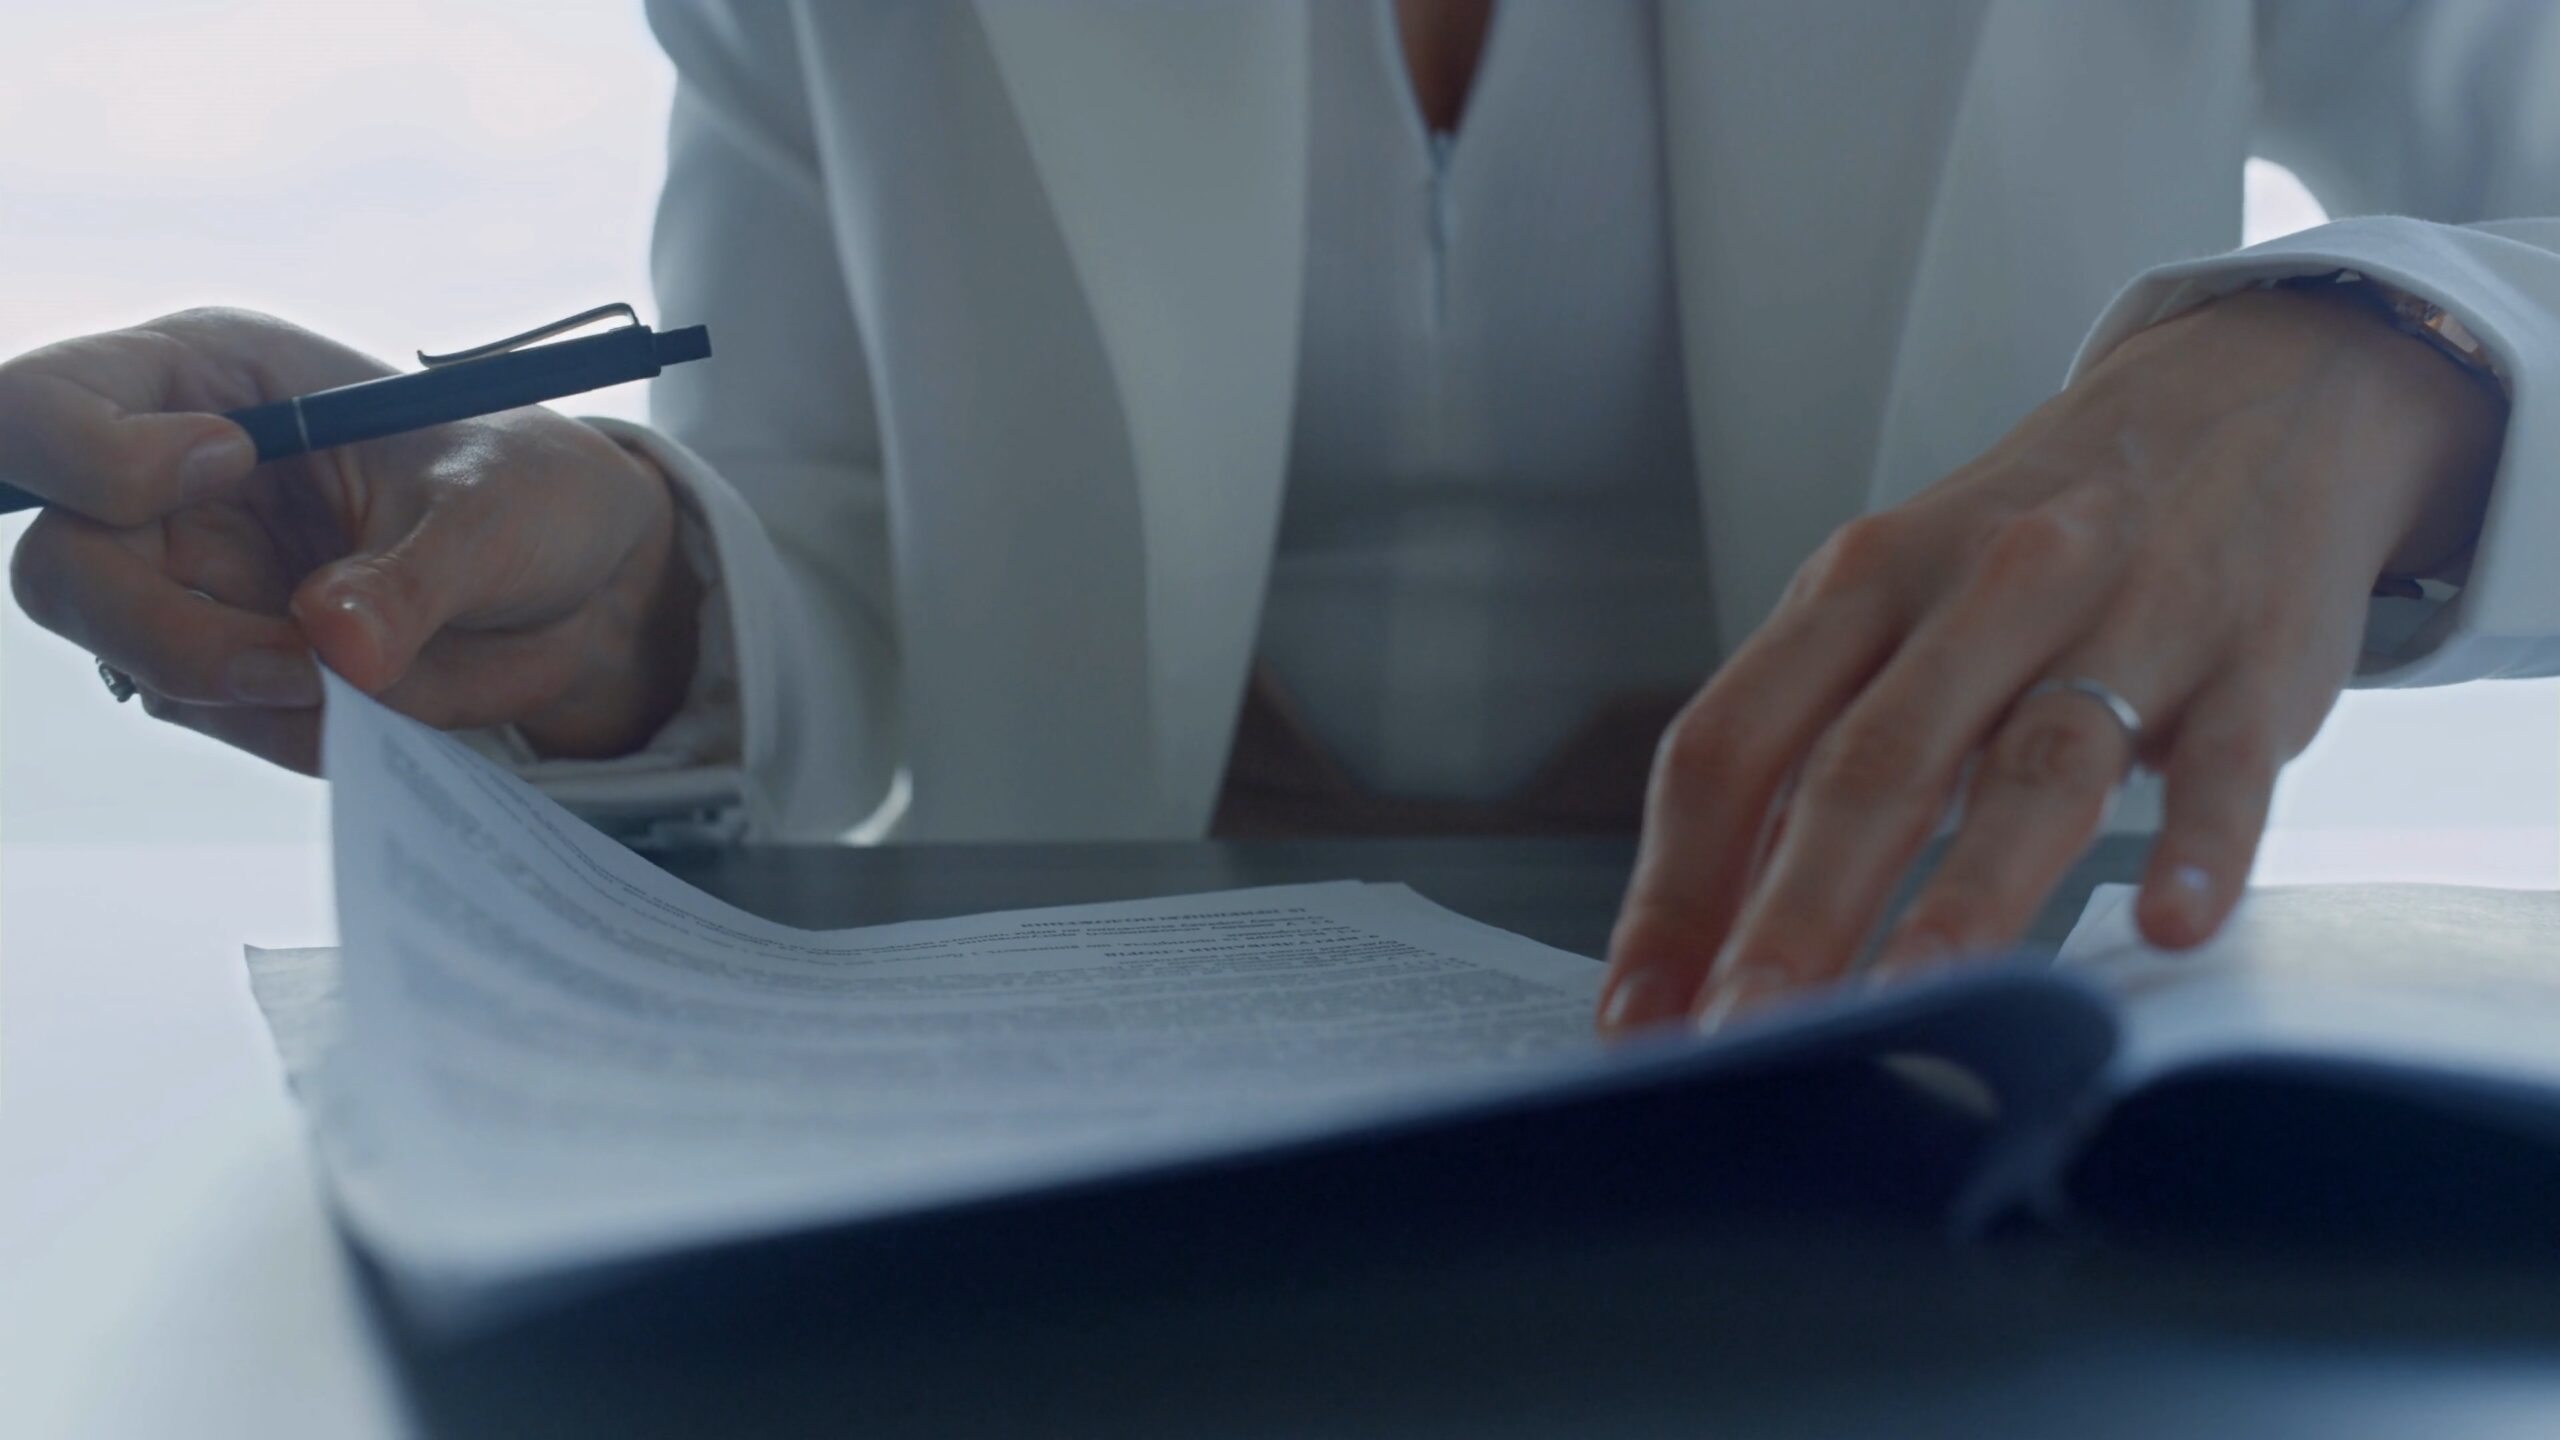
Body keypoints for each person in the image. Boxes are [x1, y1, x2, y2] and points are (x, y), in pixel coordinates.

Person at [3, 2, 2551, 1037]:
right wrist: (607, 590)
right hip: (1076, 1082)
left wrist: (2383, 365)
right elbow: (845, 515)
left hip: (1965, 1069)